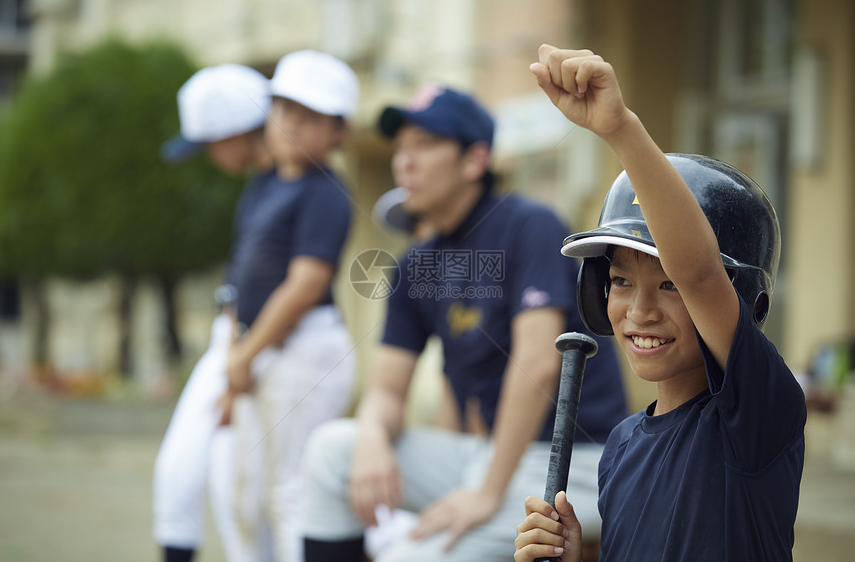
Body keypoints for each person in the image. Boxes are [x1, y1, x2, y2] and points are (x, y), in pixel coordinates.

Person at [300, 84, 628, 561]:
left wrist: (486, 493)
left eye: (425, 146)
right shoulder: (417, 263)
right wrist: (371, 436)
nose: (404, 162)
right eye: (401, 148)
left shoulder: (529, 225)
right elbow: (387, 390)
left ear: (475, 160)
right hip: (492, 456)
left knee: (403, 559)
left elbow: (538, 365)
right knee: (333, 449)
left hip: (574, 464)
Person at [514, 46, 806, 561]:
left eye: (668, 286)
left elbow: (699, 270)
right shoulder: (621, 446)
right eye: (622, 282)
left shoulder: (756, 413)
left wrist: (620, 129)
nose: (639, 310)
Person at [224, 49, 359, 562]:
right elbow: (241, 274)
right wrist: (237, 350)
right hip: (260, 349)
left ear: (338, 131)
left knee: (289, 493)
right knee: (248, 494)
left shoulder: (325, 190)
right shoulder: (263, 184)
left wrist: (244, 355)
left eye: (309, 117)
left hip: (304, 349)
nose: (290, 125)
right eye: (283, 110)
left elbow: (304, 285)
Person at [153, 64, 276, 562]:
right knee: (176, 473)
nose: (210, 156)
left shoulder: (285, 184)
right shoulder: (256, 189)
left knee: (239, 496)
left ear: (237, 131)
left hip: (257, 349)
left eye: (211, 143)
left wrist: (235, 367)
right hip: (230, 338)